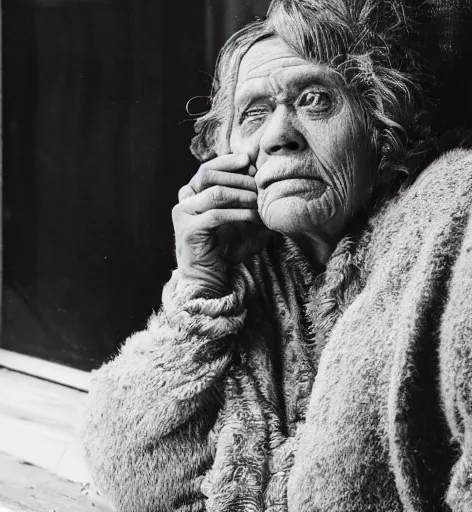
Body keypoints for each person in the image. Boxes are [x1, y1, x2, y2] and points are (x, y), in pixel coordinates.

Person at [81, 0, 472, 510]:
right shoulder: (254, 263)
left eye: (313, 99)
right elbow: (130, 474)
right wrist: (198, 291)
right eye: (254, 113)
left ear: (381, 121)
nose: (277, 136)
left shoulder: (451, 220)